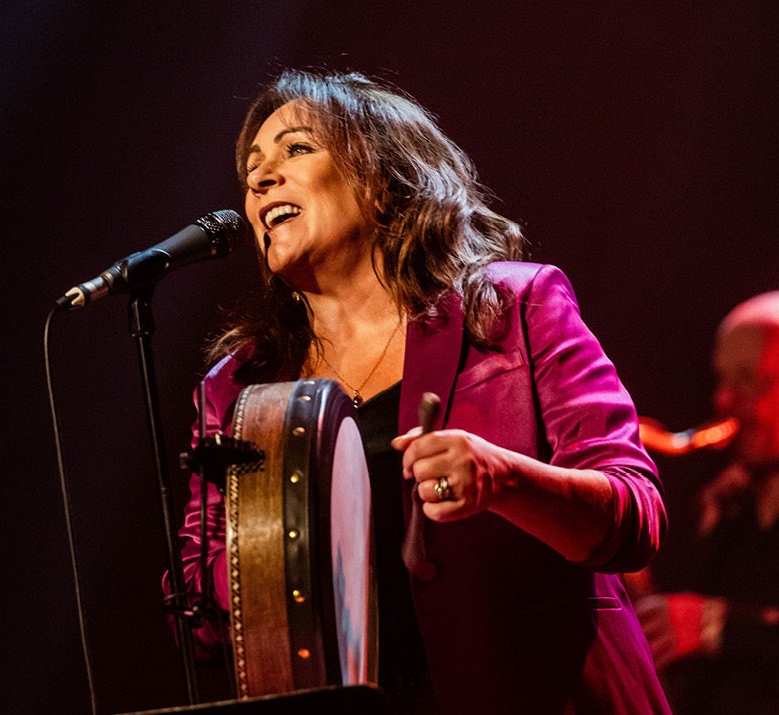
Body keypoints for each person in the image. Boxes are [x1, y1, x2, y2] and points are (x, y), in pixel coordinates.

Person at [166, 68, 671, 714]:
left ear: (382, 182)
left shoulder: (513, 308)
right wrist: (264, 558)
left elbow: (634, 518)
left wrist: (504, 480)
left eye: (296, 149)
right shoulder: (240, 390)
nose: (261, 179)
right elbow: (202, 627)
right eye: (252, 169)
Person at [634, 290, 779, 714]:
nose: (723, 399)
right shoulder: (726, 497)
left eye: (750, 378)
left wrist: (720, 628)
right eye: (723, 378)